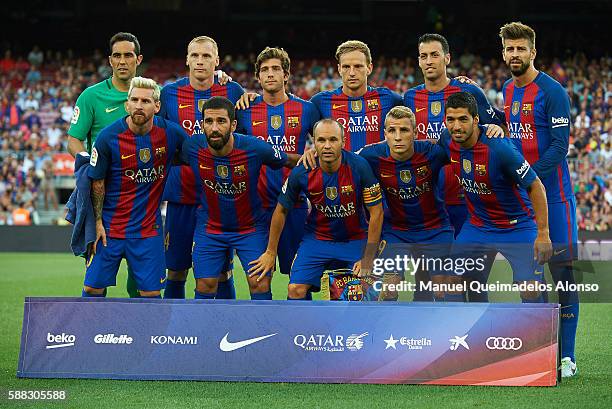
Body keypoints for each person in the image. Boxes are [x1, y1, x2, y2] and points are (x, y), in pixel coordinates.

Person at [500, 21, 579, 377]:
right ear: (503, 53)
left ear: (533, 51)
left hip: (556, 200)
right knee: (529, 280)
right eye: (509, 48)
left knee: (563, 276)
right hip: (524, 203)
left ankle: (568, 357)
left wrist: (526, 178)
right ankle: (543, 354)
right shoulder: (506, 89)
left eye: (521, 48)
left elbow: (560, 148)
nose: (514, 54)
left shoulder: (552, 91)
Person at [404, 33, 505, 301]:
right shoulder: (409, 98)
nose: (429, 61)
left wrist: (497, 127)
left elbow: (500, 122)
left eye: (434, 55)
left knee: (473, 280)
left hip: (467, 202)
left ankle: (476, 341)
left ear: (447, 58)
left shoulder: (468, 91)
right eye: (423, 56)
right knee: (424, 281)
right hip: (427, 203)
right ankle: (426, 341)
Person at [249, 118, 384, 300]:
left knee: (365, 291)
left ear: (343, 142)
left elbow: (376, 212)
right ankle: (303, 328)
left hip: (355, 239)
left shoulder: (359, 166)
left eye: (333, 140)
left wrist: (369, 256)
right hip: (318, 239)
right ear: (313, 143)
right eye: (321, 140)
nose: (327, 146)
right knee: (295, 289)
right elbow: (281, 210)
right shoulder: (302, 171)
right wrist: (270, 252)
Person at [438, 92, 552, 303]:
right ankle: (460, 334)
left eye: (463, 119)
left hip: (516, 227)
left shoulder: (500, 148)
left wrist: (543, 234)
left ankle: (539, 335)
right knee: (449, 280)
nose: (456, 126)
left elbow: (536, 186)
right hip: (478, 226)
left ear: (476, 119)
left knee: (530, 289)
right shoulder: (447, 140)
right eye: (450, 119)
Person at [180, 96, 299, 300]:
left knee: (259, 283)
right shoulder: (191, 147)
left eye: (221, 121)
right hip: (210, 228)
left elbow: (289, 160)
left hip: (250, 228)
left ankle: (263, 330)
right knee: (206, 284)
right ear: (202, 124)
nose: (214, 128)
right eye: (209, 121)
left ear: (233, 124)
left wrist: (318, 160)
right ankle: (205, 331)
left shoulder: (254, 148)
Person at [84, 77, 186, 299]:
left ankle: (151, 334)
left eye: (146, 101)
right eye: (135, 100)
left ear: (157, 106)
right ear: (127, 104)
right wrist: (98, 223)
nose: (139, 105)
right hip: (110, 227)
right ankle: (90, 333)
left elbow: (195, 156)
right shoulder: (108, 137)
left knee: (150, 293)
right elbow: (97, 182)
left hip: (148, 229)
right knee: (92, 289)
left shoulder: (172, 134)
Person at [158, 36, 244, 299]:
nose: (200, 61)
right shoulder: (169, 93)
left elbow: (244, 137)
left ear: (217, 61)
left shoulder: (232, 91)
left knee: (221, 273)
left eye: (206, 56)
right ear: (186, 59)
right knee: (176, 270)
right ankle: (171, 330)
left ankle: (227, 331)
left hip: (219, 199)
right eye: (194, 55)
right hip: (182, 198)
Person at [67, 32, 144, 298]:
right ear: (110, 60)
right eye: (117, 56)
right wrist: (89, 162)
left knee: (142, 281)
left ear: (138, 59)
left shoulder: (149, 94)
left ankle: (144, 334)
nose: (123, 61)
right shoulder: (91, 96)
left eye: (128, 55)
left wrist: (219, 77)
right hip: (103, 198)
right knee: (95, 278)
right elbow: (74, 140)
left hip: (142, 197)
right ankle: (92, 335)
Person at [235, 47, 320, 276]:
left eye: (275, 69)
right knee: (259, 277)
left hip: (295, 204)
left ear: (287, 74)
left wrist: (313, 154)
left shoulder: (307, 109)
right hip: (257, 207)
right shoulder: (245, 110)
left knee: (300, 278)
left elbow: (325, 143)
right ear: (257, 77)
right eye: (264, 70)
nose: (270, 74)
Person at [359, 106, 453, 301]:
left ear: (416, 133)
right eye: (392, 131)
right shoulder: (371, 156)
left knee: (442, 290)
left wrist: (489, 129)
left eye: (404, 130)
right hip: (396, 232)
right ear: (385, 134)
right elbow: (342, 159)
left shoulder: (433, 153)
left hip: (435, 229)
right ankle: (389, 330)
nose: (398, 136)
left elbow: (465, 143)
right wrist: (313, 154)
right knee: (389, 288)